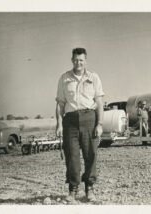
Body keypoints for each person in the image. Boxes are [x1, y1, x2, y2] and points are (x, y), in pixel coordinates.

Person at [55, 48, 104, 203]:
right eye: (76, 60)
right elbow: (60, 104)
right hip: (70, 121)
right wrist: (59, 124)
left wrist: (100, 124)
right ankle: (73, 190)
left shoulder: (94, 77)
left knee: (91, 154)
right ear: (72, 60)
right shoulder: (64, 78)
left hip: (90, 118)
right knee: (72, 156)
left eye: (81, 60)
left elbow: (100, 103)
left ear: (85, 60)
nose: (78, 63)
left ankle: (89, 188)